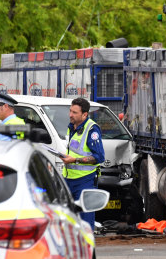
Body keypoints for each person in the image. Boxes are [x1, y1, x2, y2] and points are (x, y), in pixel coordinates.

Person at [61, 97, 105, 231]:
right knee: (68, 219)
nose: (70, 115)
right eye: (70, 111)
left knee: (85, 221)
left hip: (85, 180)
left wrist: (74, 160)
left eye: (74, 112)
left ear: (84, 114)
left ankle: (87, 249)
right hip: (68, 180)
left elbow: (99, 157)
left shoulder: (91, 129)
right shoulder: (72, 127)